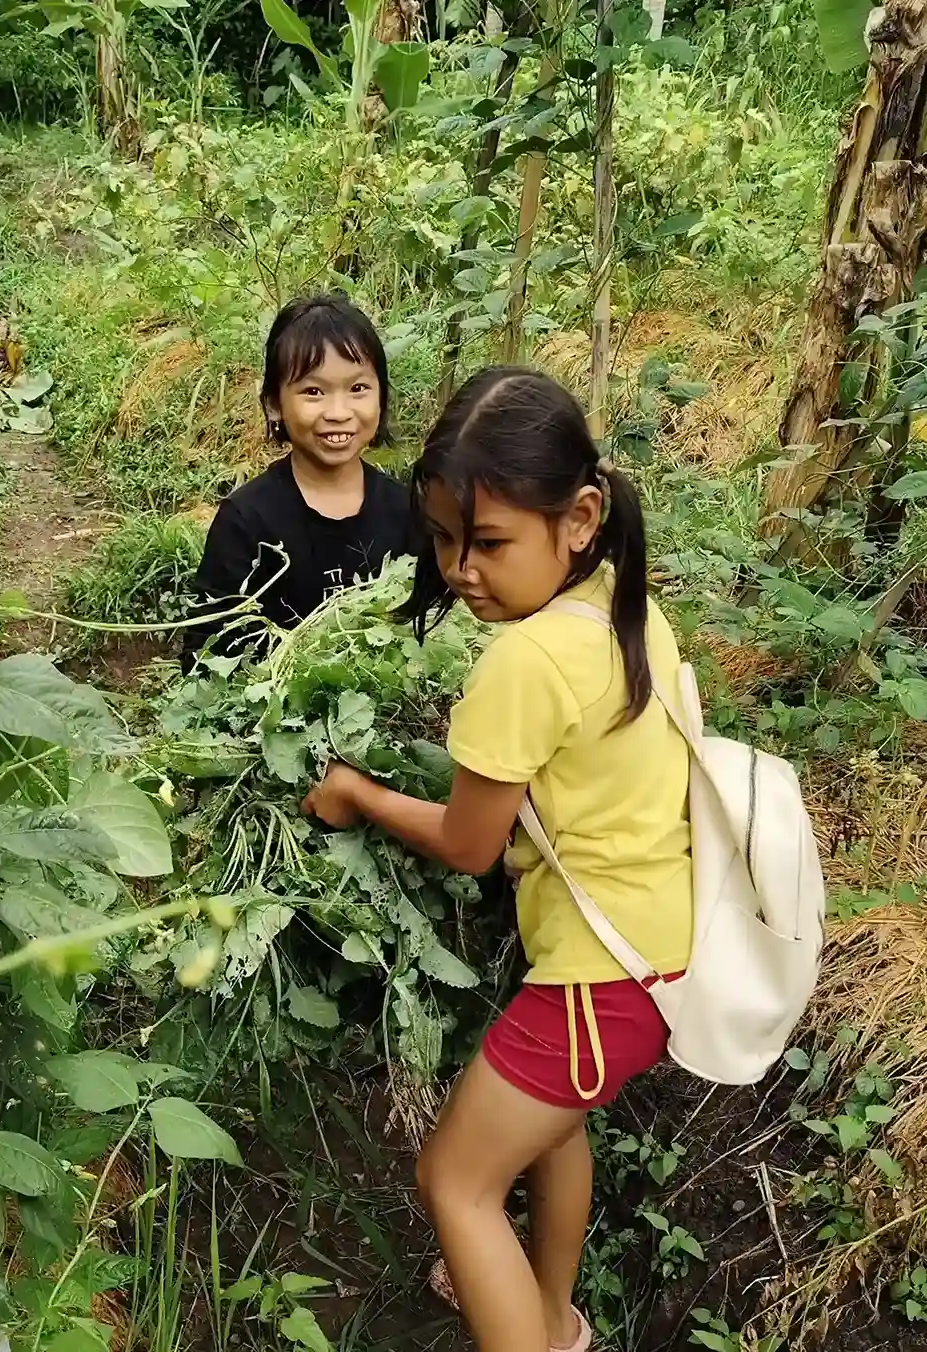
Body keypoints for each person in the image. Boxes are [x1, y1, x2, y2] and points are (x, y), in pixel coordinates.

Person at [301, 367, 695, 1352]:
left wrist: (356, 793)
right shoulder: (623, 606)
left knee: (455, 1179)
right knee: (553, 1128)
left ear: (579, 516)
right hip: (654, 956)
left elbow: (470, 842)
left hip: (591, 985)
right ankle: (552, 1316)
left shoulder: (521, 659)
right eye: (442, 539)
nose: (460, 567)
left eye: (486, 542)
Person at [180, 294, 418, 671]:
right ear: (274, 404)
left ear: (382, 397)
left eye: (358, 389)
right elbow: (205, 656)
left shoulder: (407, 511)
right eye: (313, 392)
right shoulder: (247, 521)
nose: (338, 413)